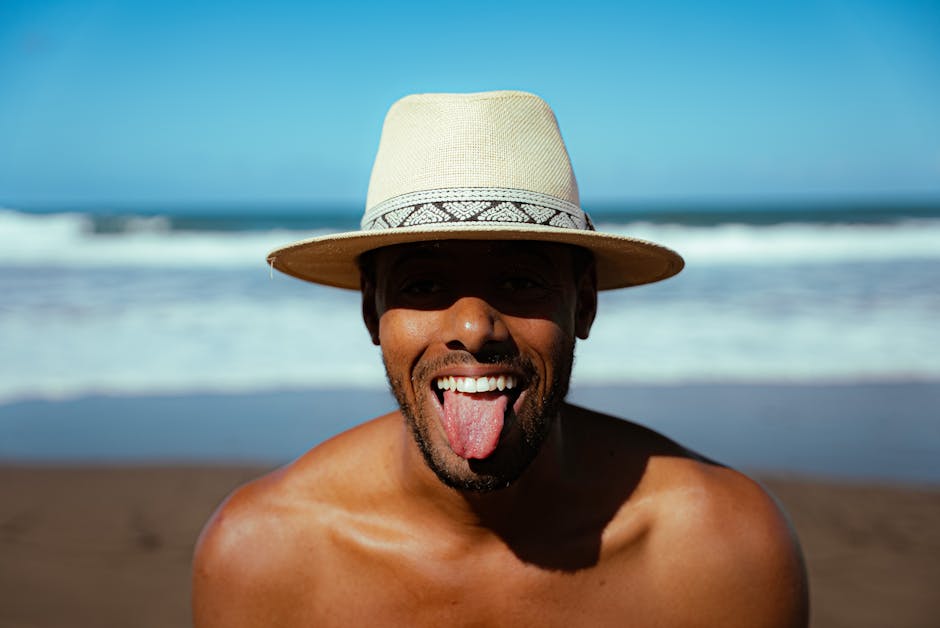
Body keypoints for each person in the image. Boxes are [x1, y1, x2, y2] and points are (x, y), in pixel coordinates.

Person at [192, 91, 808, 627]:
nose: (474, 328)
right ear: (369, 312)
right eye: (424, 285)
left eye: (519, 280)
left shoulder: (725, 548)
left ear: (584, 306)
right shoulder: (262, 554)